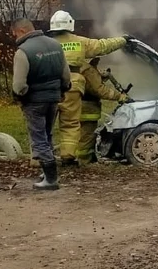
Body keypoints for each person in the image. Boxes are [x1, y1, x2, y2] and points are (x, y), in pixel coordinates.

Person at [46, 10, 128, 164]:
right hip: (71, 87)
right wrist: (123, 40)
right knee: (69, 124)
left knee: (43, 126)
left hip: (46, 87)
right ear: (70, 24)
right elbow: (103, 46)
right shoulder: (79, 42)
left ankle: (40, 159)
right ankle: (68, 157)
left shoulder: (45, 44)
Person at [11, 18, 71, 190]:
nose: (14, 37)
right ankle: (47, 173)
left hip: (34, 101)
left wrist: (20, 96)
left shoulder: (23, 51)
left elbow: (19, 85)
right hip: (53, 98)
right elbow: (66, 75)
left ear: (21, 31)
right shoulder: (55, 45)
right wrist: (61, 91)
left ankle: (51, 180)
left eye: (14, 33)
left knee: (38, 138)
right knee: (47, 134)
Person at [78, 58, 132, 163]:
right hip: (87, 106)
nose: (98, 61)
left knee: (83, 133)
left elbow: (89, 84)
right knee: (87, 133)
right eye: (97, 59)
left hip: (82, 104)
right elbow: (99, 90)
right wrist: (119, 96)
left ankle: (87, 156)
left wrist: (101, 77)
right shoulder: (88, 70)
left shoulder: (84, 67)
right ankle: (84, 159)